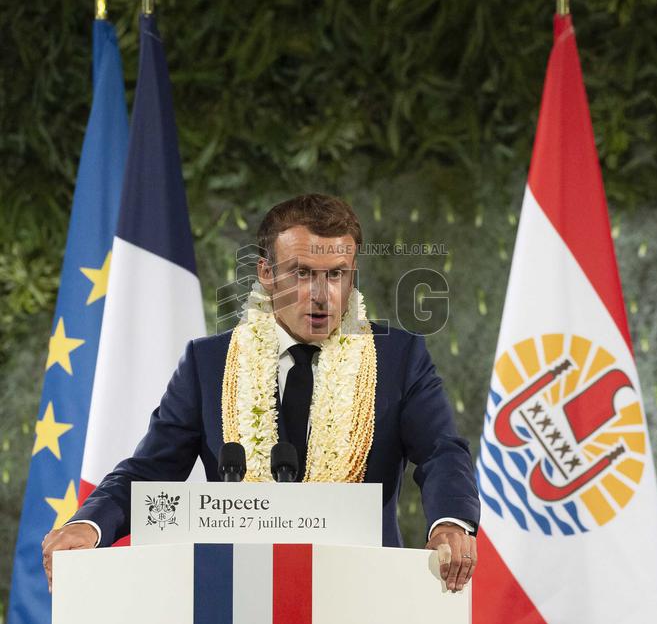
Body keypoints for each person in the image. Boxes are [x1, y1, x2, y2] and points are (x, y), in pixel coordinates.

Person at [42, 194, 480, 591]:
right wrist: (90, 523)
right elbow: (150, 469)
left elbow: (442, 452)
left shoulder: (399, 358)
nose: (322, 295)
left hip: (364, 596)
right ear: (266, 273)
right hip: (238, 598)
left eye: (337, 276)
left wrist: (450, 523)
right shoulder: (208, 364)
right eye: (303, 273)